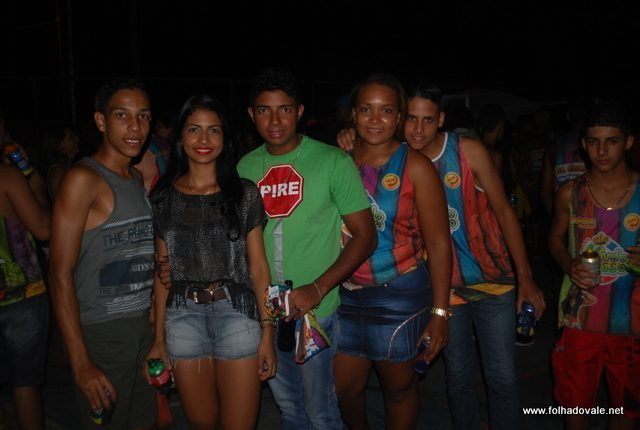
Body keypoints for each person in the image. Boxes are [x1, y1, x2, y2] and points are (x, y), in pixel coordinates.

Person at [338, 80, 545, 429]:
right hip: (443, 287)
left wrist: (526, 276)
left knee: (500, 377)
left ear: (441, 120)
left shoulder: (462, 152)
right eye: (412, 119)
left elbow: (502, 212)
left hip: (489, 278)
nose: (419, 129)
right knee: (458, 376)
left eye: (428, 120)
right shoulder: (373, 156)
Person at [236, 67, 376, 430]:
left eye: (284, 109)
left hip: (317, 312)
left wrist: (318, 288)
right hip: (267, 313)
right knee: (291, 411)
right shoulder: (243, 168)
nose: (275, 120)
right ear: (251, 114)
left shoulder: (332, 161)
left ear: (299, 111)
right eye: (264, 110)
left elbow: (365, 236)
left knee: (321, 413)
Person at [145, 94, 276, 429]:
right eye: (194, 129)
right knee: (201, 423)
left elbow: (259, 268)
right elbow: (162, 272)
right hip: (183, 318)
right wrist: (158, 341)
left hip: (237, 314)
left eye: (213, 130)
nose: (204, 139)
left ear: (225, 138)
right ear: (180, 136)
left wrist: (267, 332)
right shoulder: (163, 197)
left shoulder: (244, 193)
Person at [333, 74, 452, 429]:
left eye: (386, 110)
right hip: (342, 294)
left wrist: (440, 314)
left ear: (399, 117)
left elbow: (439, 244)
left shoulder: (416, 167)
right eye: (366, 109)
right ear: (353, 114)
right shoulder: (336, 160)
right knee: (343, 390)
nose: (375, 119)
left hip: (399, 295)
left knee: (399, 389)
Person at [49, 78, 156, 429]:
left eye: (143, 116)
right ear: (101, 121)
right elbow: (59, 273)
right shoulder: (83, 179)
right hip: (102, 333)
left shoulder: (135, 177)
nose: (135, 127)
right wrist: (81, 363)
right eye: (122, 115)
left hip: (139, 329)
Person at [548, 100, 639, 430]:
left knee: (626, 411)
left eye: (611, 141)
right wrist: (568, 263)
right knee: (575, 409)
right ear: (583, 145)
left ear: (628, 142)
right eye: (593, 142)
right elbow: (554, 238)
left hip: (633, 322)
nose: (601, 151)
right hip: (579, 318)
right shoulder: (570, 193)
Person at [0, 108, 50, 430]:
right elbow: (43, 228)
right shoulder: (7, 176)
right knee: (24, 384)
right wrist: (35, 183)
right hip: (20, 296)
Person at [40, 124, 81, 201]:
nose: (77, 139)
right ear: (59, 145)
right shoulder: (57, 172)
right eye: (71, 137)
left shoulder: (71, 167)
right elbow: (64, 202)